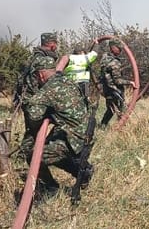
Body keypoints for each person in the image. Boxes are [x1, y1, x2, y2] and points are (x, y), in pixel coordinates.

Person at [18, 32, 92, 200]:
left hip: (72, 140)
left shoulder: (47, 91)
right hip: (86, 133)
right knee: (49, 145)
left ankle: (51, 187)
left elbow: (34, 116)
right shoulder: (68, 81)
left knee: (32, 154)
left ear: (41, 74)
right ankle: (83, 171)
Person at [14, 32, 59, 109]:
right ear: (51, 44)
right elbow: (51, 83)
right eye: (56, 43)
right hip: (37, 103)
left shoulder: (33, 57)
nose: (56, 46)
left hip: (28, 100)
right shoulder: (45, 60)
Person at [99, 39, 137, 126]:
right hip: (114, 90)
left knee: (111, 109)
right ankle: (120, 127)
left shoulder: (105, 57)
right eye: (118, 48)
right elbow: (117, 81)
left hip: (106, 88)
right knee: (120, 110)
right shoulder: (114, 62)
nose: (120, 50)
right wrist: (130, 82)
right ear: (112, 47)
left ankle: (103, 125)